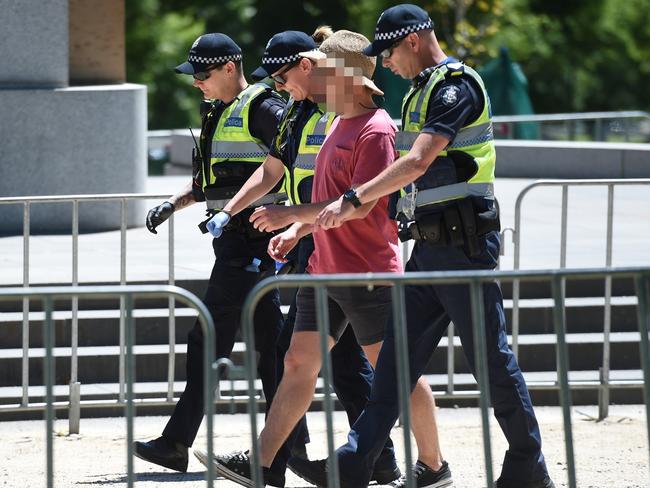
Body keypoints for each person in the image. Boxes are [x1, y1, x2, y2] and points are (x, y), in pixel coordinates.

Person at [300, 4, 556, 488]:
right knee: (397, 361)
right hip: (430, 249)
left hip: (465, 249)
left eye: (390, 53)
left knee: (490, 362)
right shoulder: (419, 92)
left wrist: (355, 197)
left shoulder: (456, 87)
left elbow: (418, 162)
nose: (388, 65)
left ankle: (527, 463)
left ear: (413, 41)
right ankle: (354, 462)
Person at [212, 29, 452, 488]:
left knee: (399, 371)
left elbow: (358, 205)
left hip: (365, 273)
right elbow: (329, 201)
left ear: (346, 75)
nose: (314, 75)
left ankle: (434, 466)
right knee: (299, 363)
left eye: (322, 67)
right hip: (325, 270)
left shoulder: (376, 129)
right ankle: (262, 463)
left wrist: (288, 215)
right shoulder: (334, 125)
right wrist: (299, 229)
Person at [134, 33, 292, 484]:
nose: (196, 84)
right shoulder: (220, 112)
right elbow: (214, 181)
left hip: (253, 243)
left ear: (229, 68)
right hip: (237, 243)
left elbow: (285, 163)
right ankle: (285, 448)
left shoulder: (264, 107)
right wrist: (174, 204)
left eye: (203, 75)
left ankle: (176, 442)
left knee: (209, 337)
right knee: (272, 350)